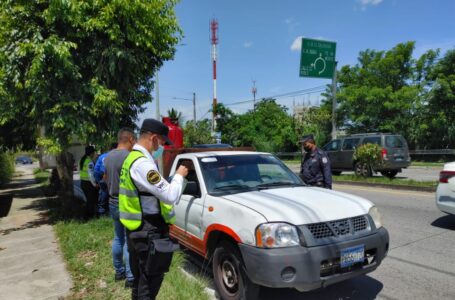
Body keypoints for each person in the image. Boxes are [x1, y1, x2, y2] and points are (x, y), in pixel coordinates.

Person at [119, 118, 188, 299]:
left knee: (140, 280)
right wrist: (180, 176)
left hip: (136, 228)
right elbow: (170, 196)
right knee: (149, 284)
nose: (162, 147)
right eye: (162, 143)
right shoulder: (143, 164)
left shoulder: (131, 158)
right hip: (149, 231)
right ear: (154, 138)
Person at [104, 129, 136, 288]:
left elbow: (104, 178)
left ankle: (119, 271)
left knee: (118, 237)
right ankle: (130, 277)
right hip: (125, 202)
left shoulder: (107, 156)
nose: (134, 145)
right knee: (128, 240)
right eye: (134, 142)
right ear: (130, 139)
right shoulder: (129, 157)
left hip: (112, 201)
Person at [94, 142, 118, 216]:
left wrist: (98, 181)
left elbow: (96, 170)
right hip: (112, 179)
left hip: (102, 179)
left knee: (103, 196)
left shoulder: (102, 156)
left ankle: (102, 214)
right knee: (113, 197)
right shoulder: (116, 156)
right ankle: (111, 214)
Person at [79, 145, 99, 218]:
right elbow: (91, 175)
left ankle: (87, 216)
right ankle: (88, 217)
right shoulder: (89, 162)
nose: (94, 154)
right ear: (91, 153)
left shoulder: (82, 160)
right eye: (94, 152)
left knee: (89, 200)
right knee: (91, 201)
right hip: (88, 184)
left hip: (83, 183)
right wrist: (95, 185)